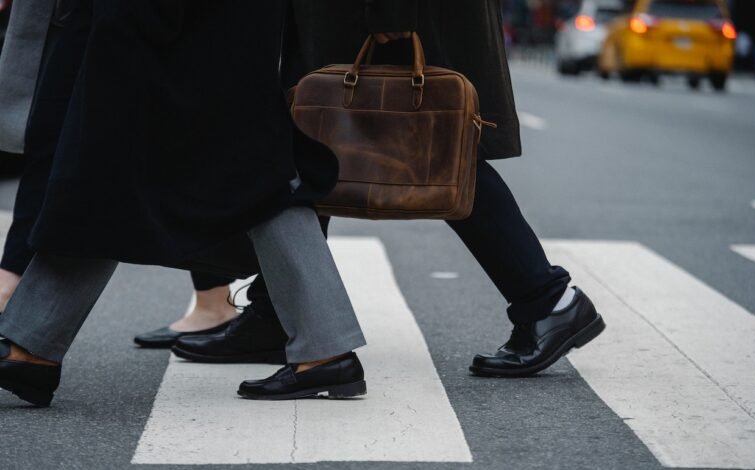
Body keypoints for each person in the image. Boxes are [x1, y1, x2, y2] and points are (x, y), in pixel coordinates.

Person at [170, 0, 606, 378]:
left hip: (386, 17)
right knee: (311, 140)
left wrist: (393, 9)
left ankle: (548, 300)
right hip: (363, 15)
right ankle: (279, 314)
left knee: (439, 147)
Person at [0, 0, 367, 407]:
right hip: (203, 25)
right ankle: (32, 348)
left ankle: (32, 349)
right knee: (236, 171)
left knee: (241, 174)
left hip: (174, 24)